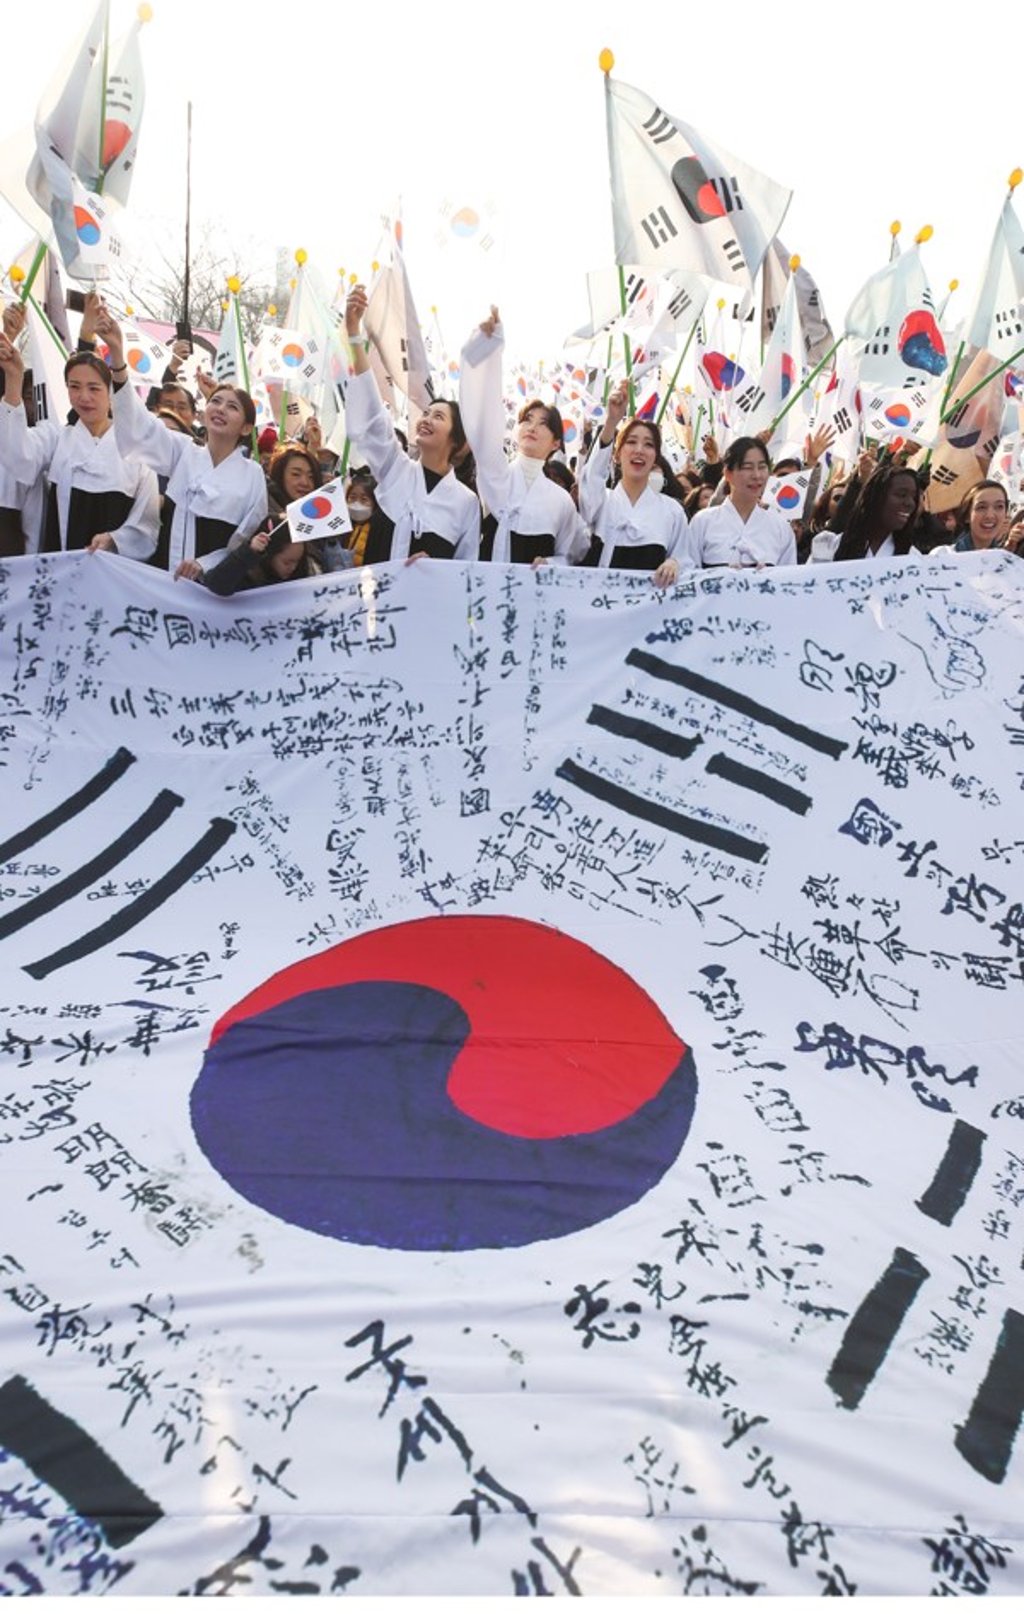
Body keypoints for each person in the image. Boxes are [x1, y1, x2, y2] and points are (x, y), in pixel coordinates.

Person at [98, 308, 266, 579]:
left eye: (232, 407)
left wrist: (206, 564)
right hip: (166, 579)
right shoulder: (183, 450)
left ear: (246, 427)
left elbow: (245, 540)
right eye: (215, 402)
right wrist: (118, 356)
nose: (220, 409)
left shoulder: (253, 475)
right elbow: (138, 428)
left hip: (213, 588)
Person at [343, 284, 479, 563]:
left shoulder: (466, 503)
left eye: (438, 417)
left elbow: (466, 570)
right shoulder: (395, 468)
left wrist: (432, 571)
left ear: (458, 441)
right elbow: (372, 413)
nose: (426, 419)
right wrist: (354, 334)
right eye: (426, 413)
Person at [0, 334, 158, 559]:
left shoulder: (136, 450)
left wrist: (114, 539)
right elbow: (18, 458)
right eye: (75, 387)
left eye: (94, 388)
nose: (84, 397)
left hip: (112, 571)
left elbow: (146, 523)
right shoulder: (56, 437)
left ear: (111, 392)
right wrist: (13, 378)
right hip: (61, 569)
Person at [460, 306, 581, 565]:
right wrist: (489, 349)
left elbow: (571, 554)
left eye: (543, 424)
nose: (532, 427)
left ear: (556, 442)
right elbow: (484, 421)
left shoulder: (561, 501)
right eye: (527, 420)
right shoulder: (497, 476)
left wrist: (552, 564)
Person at [578, 383, 693, 586]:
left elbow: (686, 559)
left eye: (648, 444)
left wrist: (674, 563)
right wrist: (612, 421)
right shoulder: (601, 501)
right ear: (616, 453)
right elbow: (592, 477)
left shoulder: (672, 511)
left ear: (655, 457)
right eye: (631, 442)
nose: (639, 450)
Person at [687, 437, 796, 567]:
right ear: (728, 474)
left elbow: (788, 581)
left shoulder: (780, 527)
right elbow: (688, 573)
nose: (756, 475)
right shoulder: (703, 522)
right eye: (747, 467)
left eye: (762, 467)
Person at [824, 463, 922, 562]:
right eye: (902, 494)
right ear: (876, 498)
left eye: (914, 497)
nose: (910, 503)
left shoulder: (914, 559)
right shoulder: (830, 547)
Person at [200, 523, 324, 595]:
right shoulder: (247, 577)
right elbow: (216, 585)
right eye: (287, 562)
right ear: (270, 555)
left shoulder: (302, 580)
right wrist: (249, 552)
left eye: (297, 561)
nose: (293, 568)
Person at [952, 480, 1009, 552]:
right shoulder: (943, 556)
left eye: (999, 506)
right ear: (967, 515)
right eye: (982, 507)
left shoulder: (1011, 561)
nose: (990, 515)